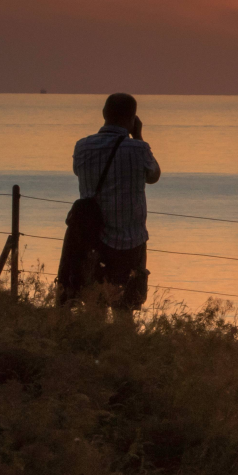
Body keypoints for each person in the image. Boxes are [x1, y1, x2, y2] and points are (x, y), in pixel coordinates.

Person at [72, 92, 161, 314]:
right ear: (133, 119)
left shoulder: (82, 146)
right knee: (125, 309)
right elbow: (154, 176)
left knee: (94, 306)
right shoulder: (139, 149)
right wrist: (138, 136)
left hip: (93, 239)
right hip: (132, 240)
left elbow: (79, 173)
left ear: (103, 113)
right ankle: (123, 345)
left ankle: (94, 345)